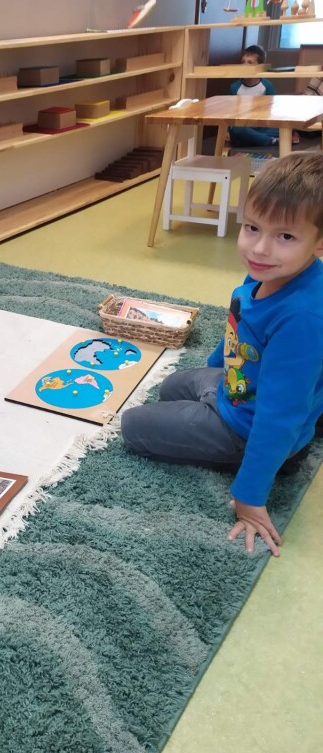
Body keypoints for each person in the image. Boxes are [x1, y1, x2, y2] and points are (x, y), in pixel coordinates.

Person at [121, 152, 323, 556]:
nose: (260, 248)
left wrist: (249, 498)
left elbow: (280, 416)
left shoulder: (303, 316)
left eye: (285, 236)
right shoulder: (268, 271)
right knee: (172, 386)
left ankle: (269, 461)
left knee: (132, 426)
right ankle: (211, 404)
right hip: (237, 389)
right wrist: (214, 373)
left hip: (248, 430)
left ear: (319, 243)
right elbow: (239, 323)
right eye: (252, 227)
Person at [227, 44, 282, 147]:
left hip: (261, 125)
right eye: (243, 62)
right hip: (243, 125)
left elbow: (274, 110)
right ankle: (268, 141)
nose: (245, 66)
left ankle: (256, 138)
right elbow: (229, 113)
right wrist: (226, 131)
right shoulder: (234, 87)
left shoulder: (266, 85)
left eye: (250, 63)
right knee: (237, 130)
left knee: (284, 128)